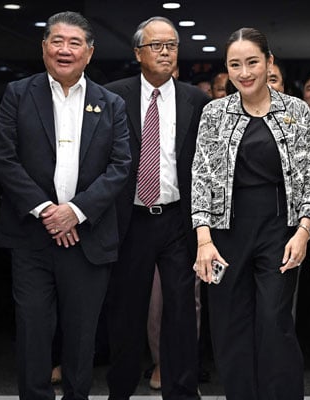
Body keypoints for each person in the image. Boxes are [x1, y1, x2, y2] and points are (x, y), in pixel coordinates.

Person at [0, 11, 131, 400]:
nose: (64, 50)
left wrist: (76, 210)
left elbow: (121, 166)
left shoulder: (111, 103)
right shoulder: (18, 94)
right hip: (31, 238)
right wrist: (46, 211)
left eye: (74, 43)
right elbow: (4, 157)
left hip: (88, 238)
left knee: (82, 334)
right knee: (33, 330)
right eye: (57, 41)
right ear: (43, 48)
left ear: (89, 52)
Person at [191, 27, 310, 399]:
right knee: (230, 327)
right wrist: (203, 239)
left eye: (252, 62)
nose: (244, 72)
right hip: (225, 235)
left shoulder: (295, 110)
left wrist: (304, 231)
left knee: (274, 322)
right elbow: (200, 178)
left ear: (269, 63)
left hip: (279, 231)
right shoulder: (214, 113)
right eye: (235, 65)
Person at [104, 16, 209, 400]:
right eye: (156, 45)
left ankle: (182, 390)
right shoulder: (112, 96)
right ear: (138, 52)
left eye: (172, 45)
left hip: (177, 220)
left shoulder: (196, 99)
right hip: (129, 219)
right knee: (126, 311)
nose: (165, 52)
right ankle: (120, 390)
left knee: (181, 312)